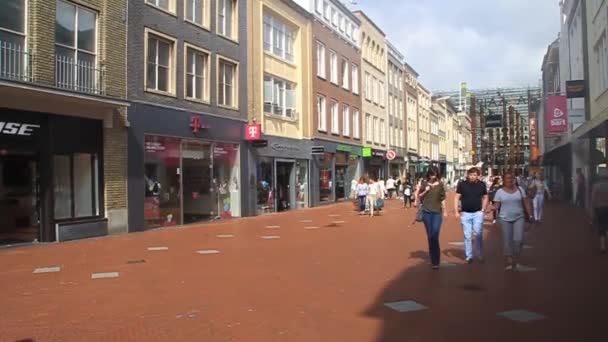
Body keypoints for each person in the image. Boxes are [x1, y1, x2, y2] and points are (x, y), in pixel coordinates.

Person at [494, 172, 533, 270]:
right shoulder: (499, 192)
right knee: (507, 241)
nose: (509, 180)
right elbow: (496, 205)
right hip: (504, 218)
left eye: (511, 178)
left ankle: (515, 256)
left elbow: (526, 202)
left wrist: (530, 215)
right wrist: (490, 208)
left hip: (519, 217)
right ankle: (510, 258)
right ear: (503, 180)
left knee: (518, 240)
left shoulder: (520, 190)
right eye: (507, 178)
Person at [454, 167, 489, 263]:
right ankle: (469, 255)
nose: (472, 177)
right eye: (471, 175)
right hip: (465, 213)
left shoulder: (482, 185)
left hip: (477, 213)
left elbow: (485, 197)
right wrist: (456, 211)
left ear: (478, 176)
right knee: (467, 235)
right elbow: (457, 197)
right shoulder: (462, 184)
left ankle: (480, 254)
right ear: (468, 175)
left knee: (478, 234)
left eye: (474, 175)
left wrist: (483, 210)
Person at [416, 166, 447, 269]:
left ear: (437, 174)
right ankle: (433, 260)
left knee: (435, 235)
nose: (432, 176)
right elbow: (419, 196)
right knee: (430, 236)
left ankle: (436, 260)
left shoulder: (440, 185)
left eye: (434, 174)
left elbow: (442, 199)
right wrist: (426, 190)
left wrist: (445, 210)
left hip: (437, 213)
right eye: (430, 174)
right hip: (426, 213)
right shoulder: (424, 184)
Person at [591, 168, 608, 253]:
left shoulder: (596, 186)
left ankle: (603, 246)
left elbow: (593, 200)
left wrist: (593, 211)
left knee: (601, 226)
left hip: (599, 208)